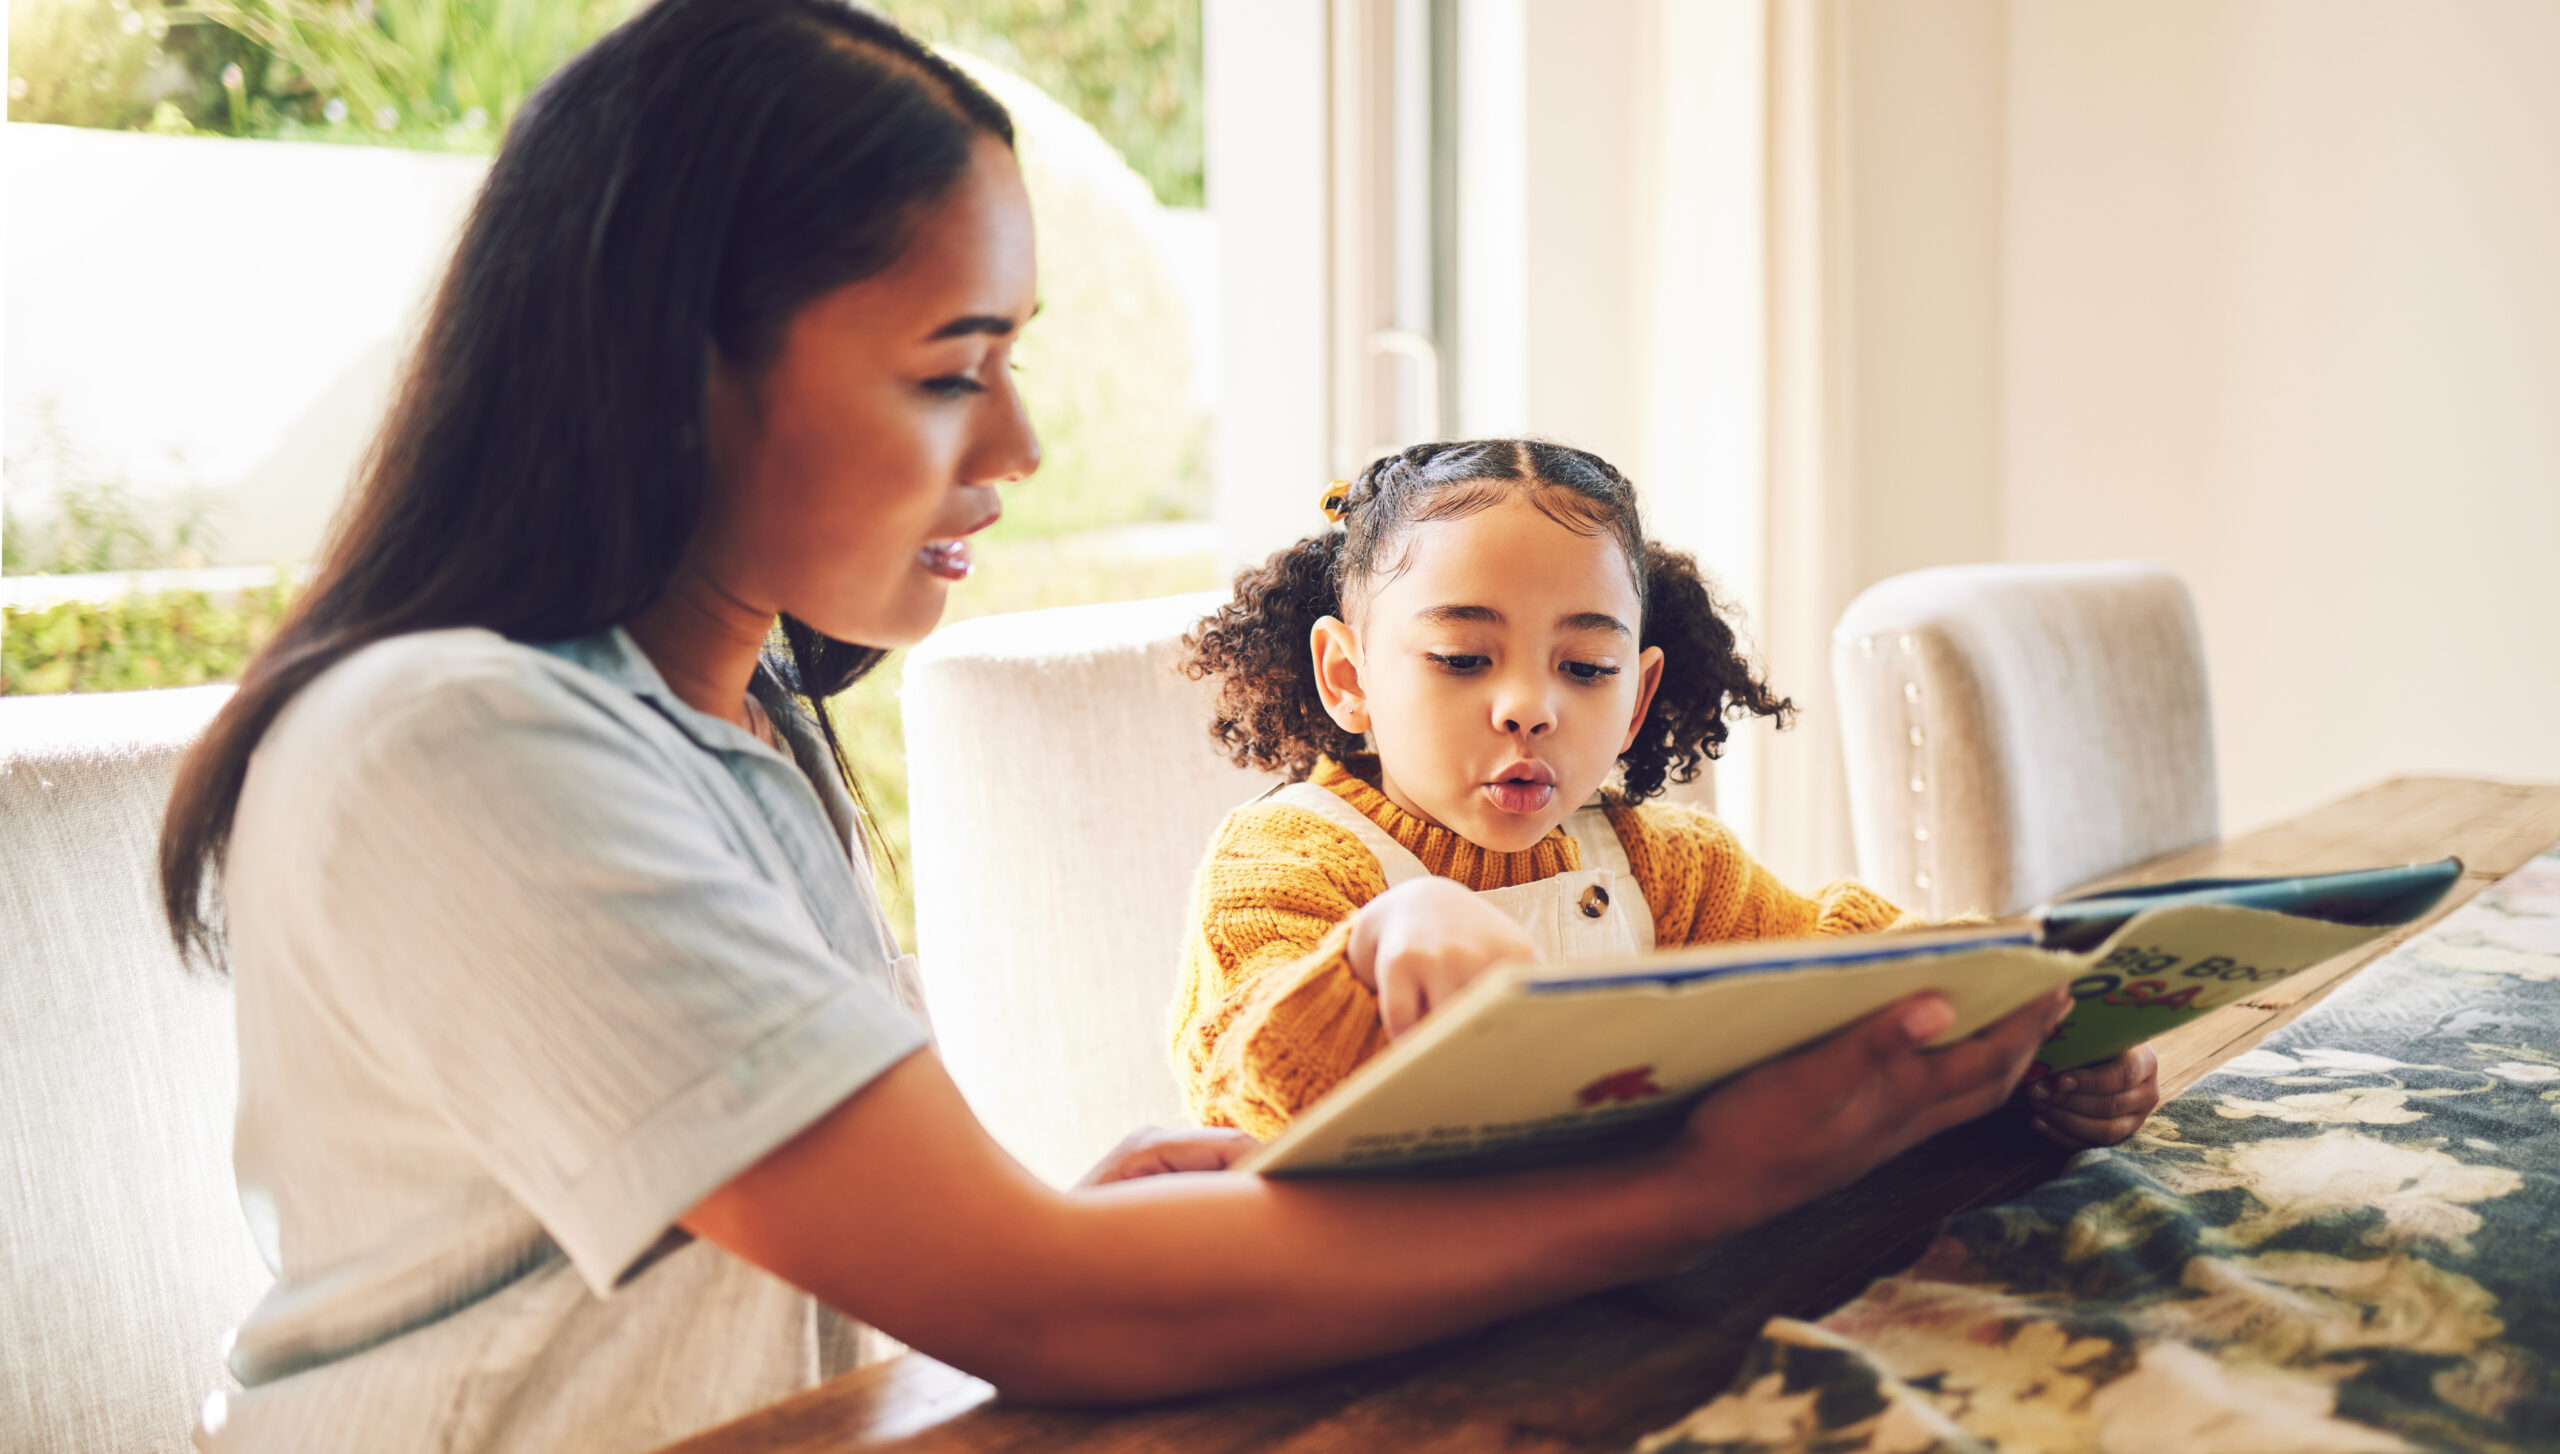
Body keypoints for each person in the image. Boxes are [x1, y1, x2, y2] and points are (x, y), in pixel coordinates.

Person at [158, 4, 2074, 1450]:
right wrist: (1698, 1183)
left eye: (1015, 360)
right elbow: (1051, 1312)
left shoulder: (726, 728)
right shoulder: (464, 745)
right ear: (674, 371)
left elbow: (894, 1276)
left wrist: (1028, 1236)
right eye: (949, 369)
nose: (1019, 446)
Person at [1171, 439, 2161, 1146]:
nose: (1527, 706)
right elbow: (1253, 1091)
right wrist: (1376, 941)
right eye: (1464, 657)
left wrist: (2040, 1029)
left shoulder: (1660, 865)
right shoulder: (1286, 861)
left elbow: (1845, 966)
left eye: (1586, 668)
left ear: (1638, 693)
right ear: (1347, 677)